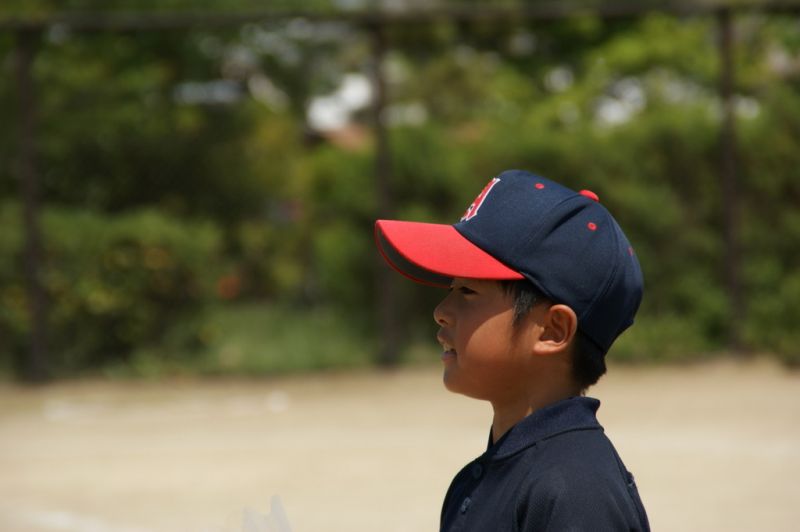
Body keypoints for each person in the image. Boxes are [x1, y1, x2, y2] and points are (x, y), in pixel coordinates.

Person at [374, 169, 650, 531]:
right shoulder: (485, 479)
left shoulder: (576, 491)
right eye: (450, 289)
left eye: (467, 291)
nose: (440, 311)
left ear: (552, 330)